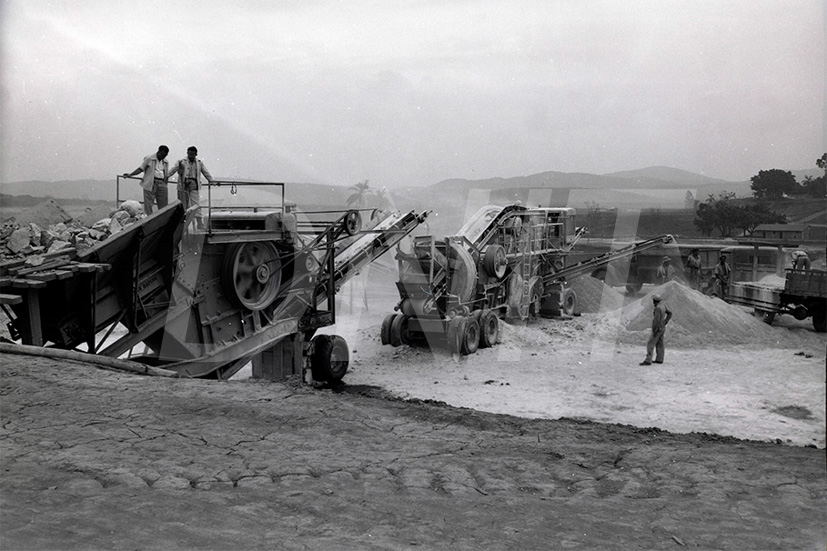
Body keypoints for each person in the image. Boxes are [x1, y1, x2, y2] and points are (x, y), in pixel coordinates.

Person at [171, 146, 214, 228]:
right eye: (189, 154)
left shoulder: (199, 163)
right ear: (187, 153)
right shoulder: (181, 162)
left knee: (196, 204)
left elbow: (205, 172)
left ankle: (199, 223)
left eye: (192, 155)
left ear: (195, 154)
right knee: (183, 205)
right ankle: (182, 224)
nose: (190, 156)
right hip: (183, 185)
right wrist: (166, 177)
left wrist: (212, 181)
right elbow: (173, 169)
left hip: (194, 185)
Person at [123, 145, 173, 215]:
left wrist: (165, 184)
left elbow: (166, 174)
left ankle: (162, 219)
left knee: (163, 204)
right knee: (148, 204)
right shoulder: (149, 159)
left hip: (162, 182)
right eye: (162, 155)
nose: (163, 157)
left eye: (165, 156)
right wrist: (130, 174)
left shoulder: (165, 162)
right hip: (151, 182)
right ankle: (149, 220)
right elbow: (141, 168)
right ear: (159, 152)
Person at [640, 294, 672, 365]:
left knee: (650, 344)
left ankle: (648, 360)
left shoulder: (657, 308)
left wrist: (654, 330)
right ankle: (659, 359)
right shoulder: (663, 306)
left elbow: (656, 320)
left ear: (654, 301)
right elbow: (670, 313)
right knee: (660, 343)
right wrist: (665, 321)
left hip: (658, 327)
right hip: (662, 327)